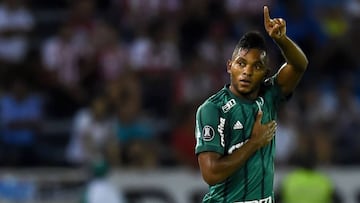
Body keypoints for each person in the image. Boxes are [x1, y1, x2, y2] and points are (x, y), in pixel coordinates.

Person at [195, 6, 308, 203]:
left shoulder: (270, 95)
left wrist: (281, 40)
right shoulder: (212, 109)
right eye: (241, 63)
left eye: (256, 66)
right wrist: (254, 142)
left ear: (265, 72)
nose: (247, 71)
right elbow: (210, 173)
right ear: (230, 66)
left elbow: (299, 65)